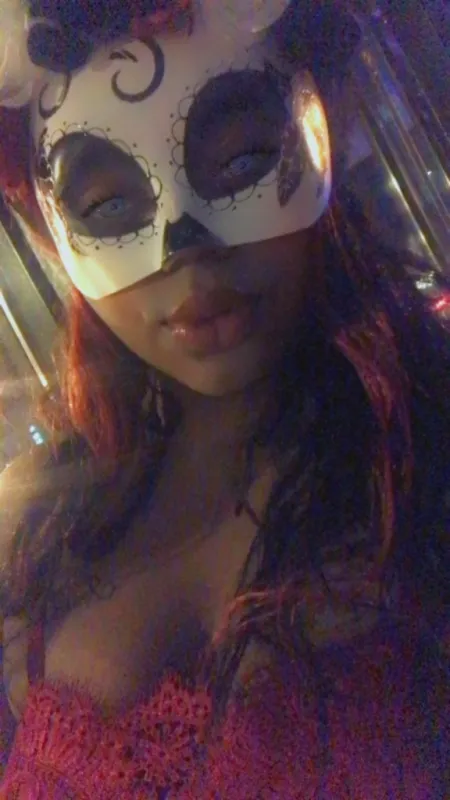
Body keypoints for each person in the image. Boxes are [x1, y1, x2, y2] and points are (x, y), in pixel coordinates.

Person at [0, 0, 449, 796]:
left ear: (323, 121)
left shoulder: (429, 441)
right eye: (106, 205)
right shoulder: (34, 525)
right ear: (49, 229)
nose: (187, 248)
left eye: (242, 158)